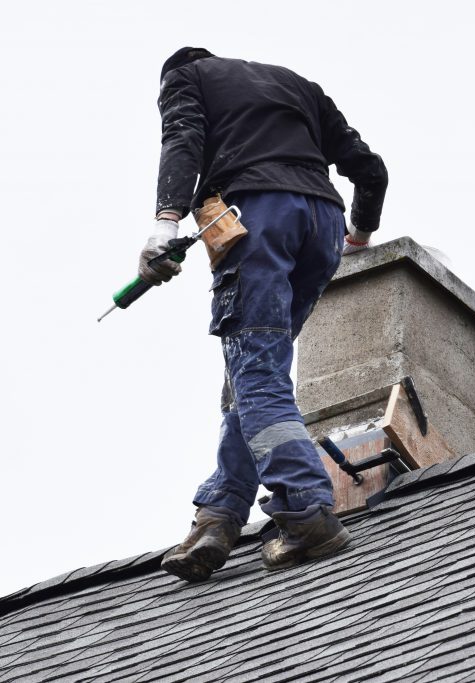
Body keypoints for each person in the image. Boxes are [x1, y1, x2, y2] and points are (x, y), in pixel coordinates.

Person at [144, 47, 388, 581]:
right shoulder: (296, 83)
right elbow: (371, 170)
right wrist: (360, 233)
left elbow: (182, 140)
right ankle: (220, 514)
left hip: (257, 216)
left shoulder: (185, 76)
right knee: (258, 373)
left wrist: (165, 223)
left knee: (255, 373)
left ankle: (306, 510)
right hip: (322, 224)